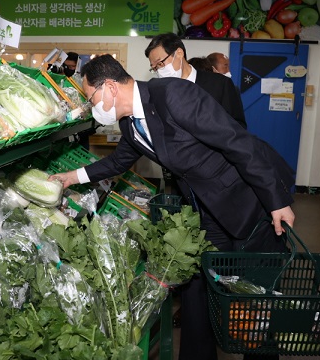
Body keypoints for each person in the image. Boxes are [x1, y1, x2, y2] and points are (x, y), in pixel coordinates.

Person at [49, 54, 295, 360]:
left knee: (255, 296)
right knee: (206, 283)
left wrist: (276, 201)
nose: (91, 106)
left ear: (110, 87)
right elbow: (118, 161)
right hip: (210, 206)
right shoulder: (130, 124)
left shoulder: (173, 95)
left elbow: (237, 142)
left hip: (251, 198)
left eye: (90, 97)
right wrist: (72, 177)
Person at [145, 33, 246, 129]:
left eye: (160, 63)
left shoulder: (220, 84)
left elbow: (238, 126)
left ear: (179, 53)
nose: (159, 71)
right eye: (154, 68)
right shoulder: (159, 94)